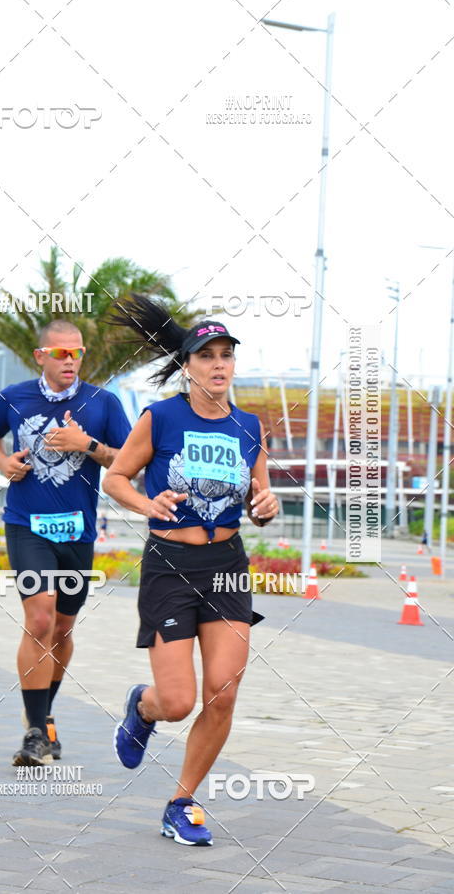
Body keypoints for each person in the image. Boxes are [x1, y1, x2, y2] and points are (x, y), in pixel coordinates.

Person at [103, 296, 279, 846]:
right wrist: (145, 505)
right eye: (208, 356)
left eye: (227, 355)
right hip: (170, 565)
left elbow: (259, 493)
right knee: (177, 701)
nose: (219, 364)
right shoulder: (161, 417)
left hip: (226, 564)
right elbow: (117, 479)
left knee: (222, 694)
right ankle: (143, 707)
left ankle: (182, 802)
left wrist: (266, 505)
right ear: (188, 365)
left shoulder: (249, 425)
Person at [0, 319, 132, 767]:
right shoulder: (13, 397)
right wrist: (1, 460)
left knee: (63, 629)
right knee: (40, 617)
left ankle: (44, 717)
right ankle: (34, 731)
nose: (70, 361)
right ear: (40, 356)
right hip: (27, 524)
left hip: (78, 531)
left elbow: (128, 460)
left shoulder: (104, 403)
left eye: (77, 353)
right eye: (61, 353)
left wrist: (88, 445)